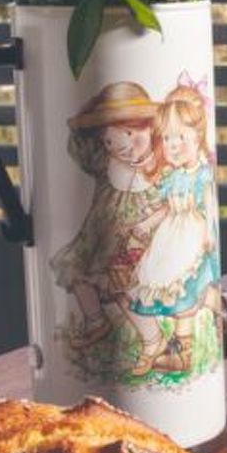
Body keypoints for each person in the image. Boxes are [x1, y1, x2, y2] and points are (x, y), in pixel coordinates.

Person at [49, 82, 162, 355]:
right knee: (74, 267)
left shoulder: (159, 166)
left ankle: (152, 340)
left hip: (134, 242)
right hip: (95, 239)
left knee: (121, 284)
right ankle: (96, 321)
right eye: (110, 140)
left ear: (151, 128)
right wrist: (84, 119)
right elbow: (80, 149)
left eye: (131, 133)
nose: (123, 145)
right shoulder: (105, 165)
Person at [127, 78, 221, 375]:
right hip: (170, 237)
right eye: (167, 139)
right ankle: (181, 343)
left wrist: (207, 234)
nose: (173, 145)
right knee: (175, 290)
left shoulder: (202, 174)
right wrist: (145, 223)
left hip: (191, 236)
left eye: (180, 137)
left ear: (198, 136)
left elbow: (208, 204)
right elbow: (167, 207)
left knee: (185, 294)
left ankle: (183, 351)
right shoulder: (173, 177)